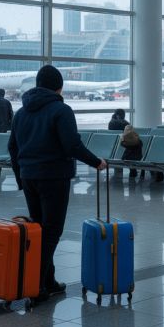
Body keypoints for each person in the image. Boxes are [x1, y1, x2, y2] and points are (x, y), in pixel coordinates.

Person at [8, 65, 108, 302]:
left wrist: (21, 177)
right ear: (59, 87)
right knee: (51, 232)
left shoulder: (21, 112)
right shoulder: (61, 110)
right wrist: (96, 162)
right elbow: (71, 145)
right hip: (53, 177)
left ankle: (48, 281)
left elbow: (12, 147)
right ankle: (37, 285)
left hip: (29, 177)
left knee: (39, 230)